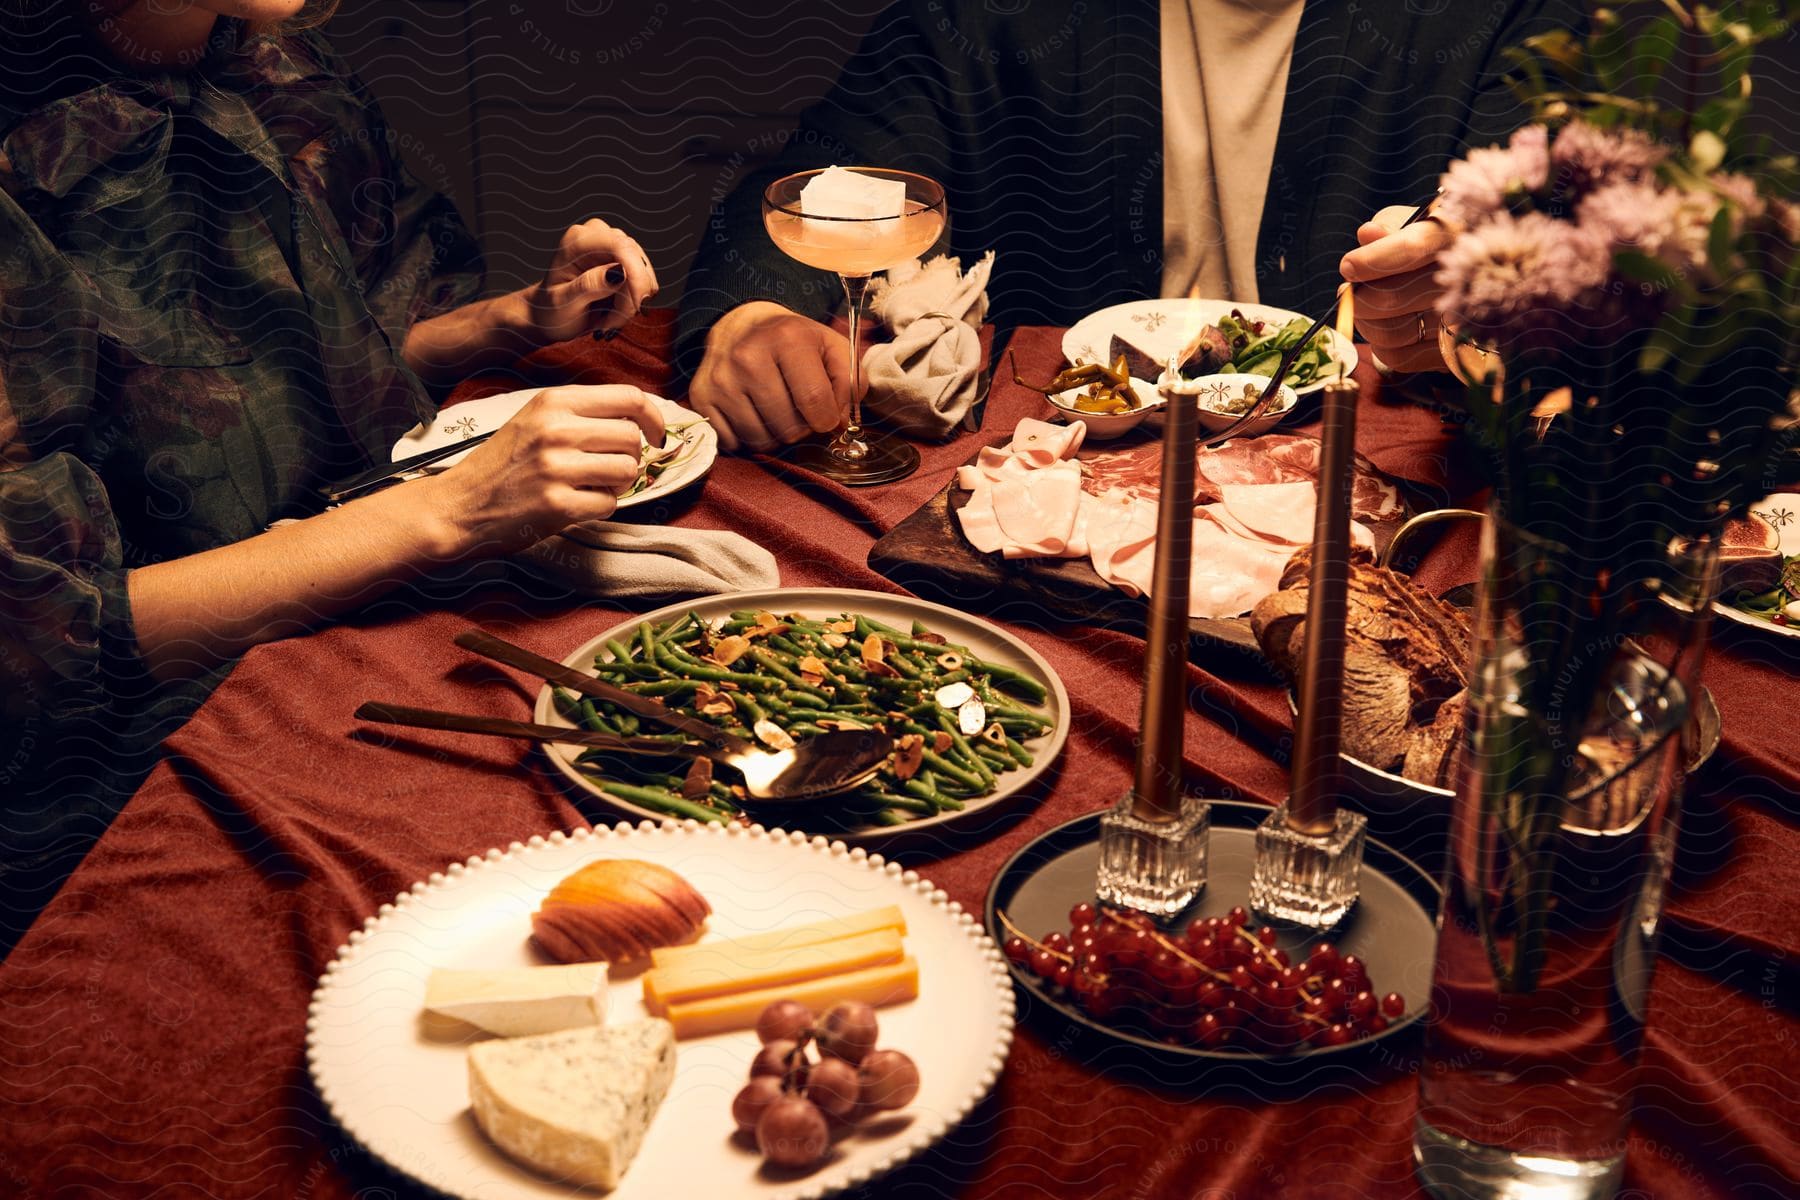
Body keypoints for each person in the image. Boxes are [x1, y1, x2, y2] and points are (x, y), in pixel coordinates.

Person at [0, 0, 661, 949]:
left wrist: (512, 320)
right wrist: (448, 512)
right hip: (115, 771)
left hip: (346, 608)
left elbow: (312, 369)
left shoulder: (271, 60)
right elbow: (46, 645)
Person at [678, 0, 1587, 452]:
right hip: (1052, 466)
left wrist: (1482, 307)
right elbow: (837, 170)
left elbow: (1559, 229)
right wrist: (751, 317)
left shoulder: (1507, 15)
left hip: (1359, 483)